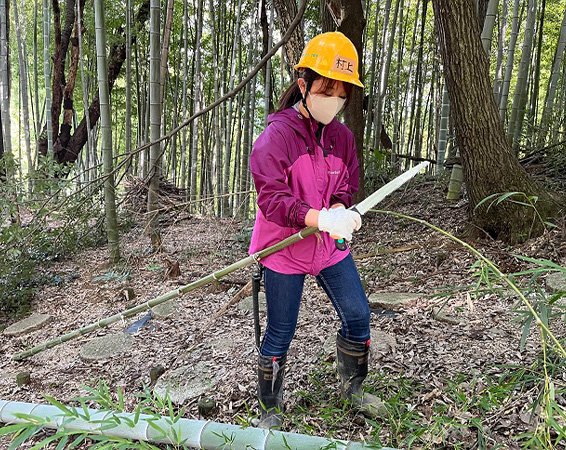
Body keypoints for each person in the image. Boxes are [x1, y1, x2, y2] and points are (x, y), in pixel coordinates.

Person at [248, 31, 382, 429]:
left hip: (328, 245)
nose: (334, 100)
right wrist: (320, 217)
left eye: (342, 93)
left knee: (358, 315)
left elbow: (345, 184)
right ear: (303, 85)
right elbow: (272, 199)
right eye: (327, 90)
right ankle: (271, 409)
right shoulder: (276, 137)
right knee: (280, 331)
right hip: (284, 247)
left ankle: (352, 387)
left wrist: (340, 209)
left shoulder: (342, 137)